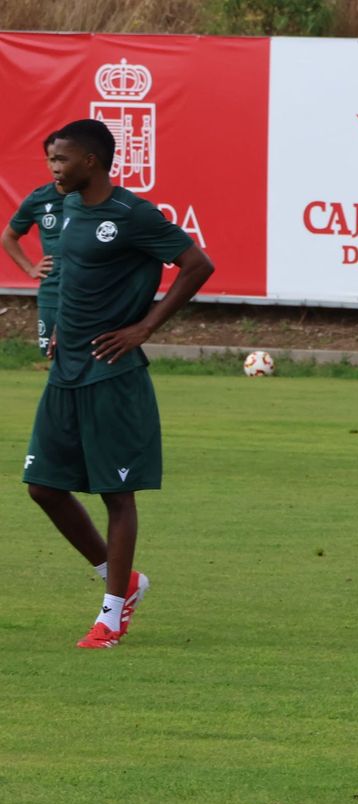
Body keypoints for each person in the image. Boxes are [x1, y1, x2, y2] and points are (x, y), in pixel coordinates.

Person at [22, 119, 214, 649]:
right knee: (42, 486)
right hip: (67, 370)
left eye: (61, 160)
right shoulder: (65, 211)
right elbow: (73, 277)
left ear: (92, 161)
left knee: (116, 494)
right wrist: (62, 324)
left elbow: (198, 264)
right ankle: (122, 578)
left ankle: (111, 615)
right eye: (49, 161)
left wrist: (145, 327)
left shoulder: (132, 214)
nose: (53, 169)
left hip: (113, 372)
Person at [3, 132, 65, 357]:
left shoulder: (93, 197)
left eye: (63, 159)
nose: (57, 166)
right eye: (52, 159)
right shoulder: (39, 199)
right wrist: (30, 268)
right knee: (53, 357)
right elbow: (8, 237)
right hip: (52, 292)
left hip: (87, 293)